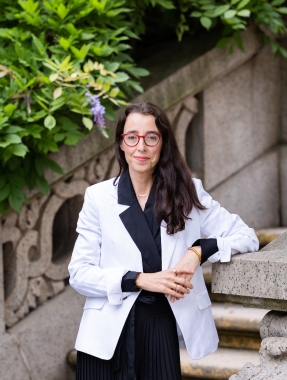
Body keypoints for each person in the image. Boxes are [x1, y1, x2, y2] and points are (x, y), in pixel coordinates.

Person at [68, 102, 259, 380]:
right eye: (132, 137)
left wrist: (198, 250)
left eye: (151, 137)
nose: (140, 147)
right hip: (104, 335)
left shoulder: (189, 192)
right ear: (122, 143)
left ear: (163, 143)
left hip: (160, 327)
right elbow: (79, 273)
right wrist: (139, 279)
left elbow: (247, 237)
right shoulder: (98, 197)